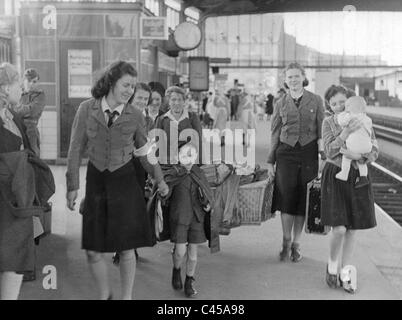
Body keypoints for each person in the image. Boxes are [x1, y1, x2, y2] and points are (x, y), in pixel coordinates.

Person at [65, 61, 169, 300]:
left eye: (132, 86)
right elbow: (74, 149)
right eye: (126, 85)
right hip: (96, 180)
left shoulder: (134, 115)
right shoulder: (85, 109)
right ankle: (105, 295)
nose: (129, 91)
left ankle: (126, 297)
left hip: (124, 181)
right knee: (92, 251)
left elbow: (144, 151)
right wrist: (72, 186)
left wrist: (159, 178)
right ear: (111, 82)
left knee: (126, 247)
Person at [0, 63, 54, 300]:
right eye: (16, 84)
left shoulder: (12, 115)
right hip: (6, 201)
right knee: (11, 261)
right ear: (4, 87)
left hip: (17, 199)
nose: (20, 89)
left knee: (14, 262)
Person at [155, 86, 211, 298]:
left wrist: (197, 165)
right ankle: (176, 269)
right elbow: (157, 149)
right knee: (178, 246)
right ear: (169, 102)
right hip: (171, 171)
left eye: (180, 99)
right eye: (173, 100)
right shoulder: (162, 120)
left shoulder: (193, 118)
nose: (177, 103)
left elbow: (199, 144)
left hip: (192, 171)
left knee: (194, 251)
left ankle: (190, 279)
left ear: (185, 101)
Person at [321, 85, 378, 293]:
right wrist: (345, 133)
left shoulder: (362, 118)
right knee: (339, 228)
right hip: (336, 175)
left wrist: (360, 157)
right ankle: (332, 264)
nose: (338, 107)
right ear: (329, 105)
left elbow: (374, 148)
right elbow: (328, 150)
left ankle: (345, 271)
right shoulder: (328, 122)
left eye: (342, 102)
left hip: (358, 176)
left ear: (350, 101)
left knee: (352, 229)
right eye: (333, 103)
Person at [267, 62, 325, 263]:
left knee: (303, 199)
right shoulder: (280, 103)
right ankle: (285, 240)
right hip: (286, 153)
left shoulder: (316, 100)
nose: (293, 80)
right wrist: (270, 161)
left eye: (296, 76)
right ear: (285, 80)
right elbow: (274, 133)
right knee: (287, 197)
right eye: (289, 77)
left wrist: (322, 157)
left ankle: (296, 244)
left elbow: (321, 131)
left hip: (309, 153)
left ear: (303, 77)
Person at [335, 96, 373, 188]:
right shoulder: (367, 119)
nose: (345, 108)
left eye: (347, 106)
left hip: (353, 146)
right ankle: (363, 177)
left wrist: (342, 114)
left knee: (346, 157)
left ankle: (344, 174)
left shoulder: (350, 117)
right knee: (362, 163)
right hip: (367, 147)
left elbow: (341, 122)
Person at [12, 68, 45, 156]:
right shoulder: (18, 93)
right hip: (16, 128)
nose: (31, 84)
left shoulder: (39, 95)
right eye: (29, 81)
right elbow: (10, 108)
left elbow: (32, 111)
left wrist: (16, 109)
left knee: (33, 157)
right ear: (24, 81)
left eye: (34, 82)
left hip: (30, 130)